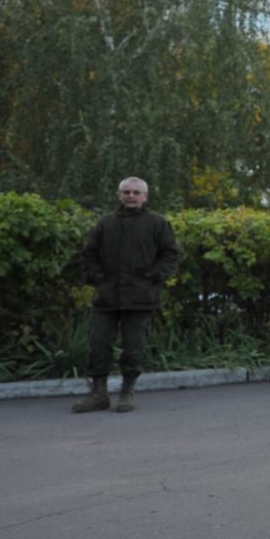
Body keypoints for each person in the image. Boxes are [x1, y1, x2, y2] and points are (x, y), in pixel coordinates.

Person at [72, 177, 180, 413]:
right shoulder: (106, 223)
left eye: (136, 192)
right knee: (98, 346)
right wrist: (98, 278)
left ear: (145, 197)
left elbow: (170, 254)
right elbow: (88, 253)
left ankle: (127, 391)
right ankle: (99, 394)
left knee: (133, 348)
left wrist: (153, 277)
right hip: (107, 297)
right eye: (126, 192)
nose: (131, 196)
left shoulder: (157, 223)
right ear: (119, 195)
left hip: (141, 298)